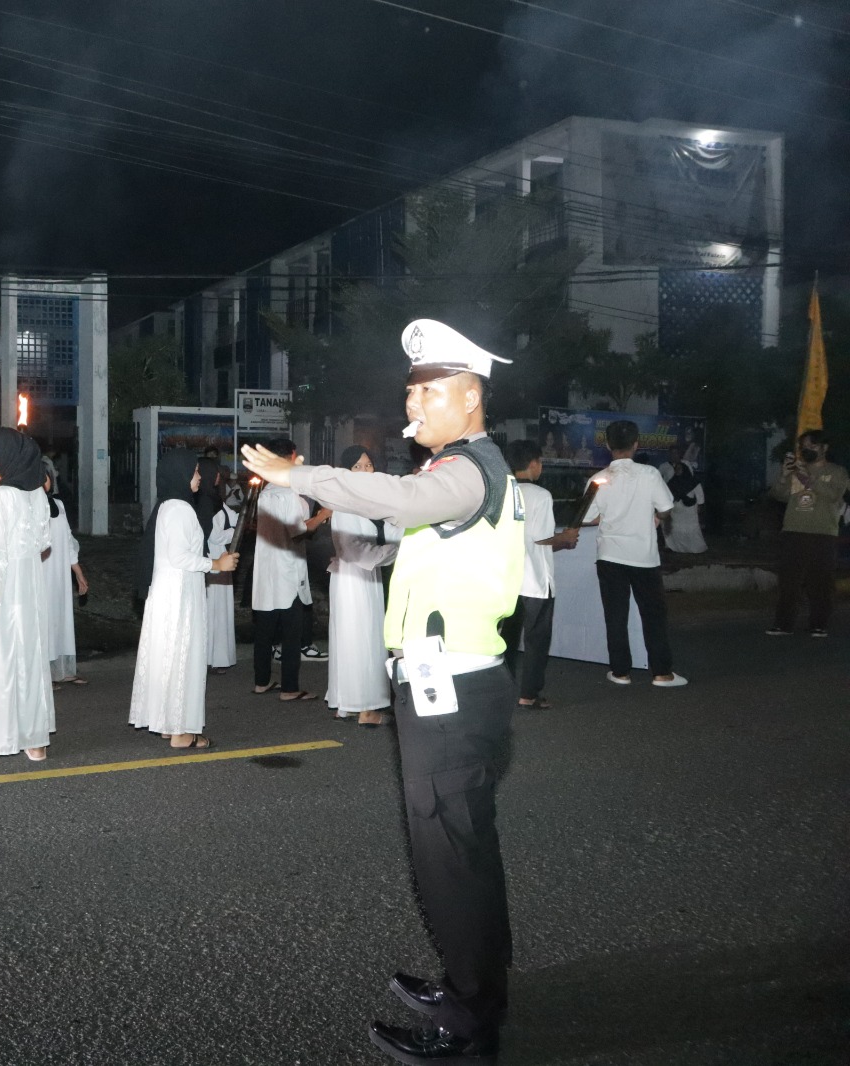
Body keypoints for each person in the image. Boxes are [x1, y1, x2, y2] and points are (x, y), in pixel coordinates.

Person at [243, 318, 526, 1066]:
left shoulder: (466, 469)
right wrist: (367, 550)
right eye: (412, 396)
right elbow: (424, 539)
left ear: (470, 398)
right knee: (460, 851)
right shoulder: (467, 474)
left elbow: (399, 498)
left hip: (454, 690)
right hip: (454, 684)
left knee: (450, 856)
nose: (414, 410)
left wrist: (294, 476)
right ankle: (474, 986)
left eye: (428, 394)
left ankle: (470, 1027)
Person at [130, 450, 239, 749]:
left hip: (171, 589)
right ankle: (181, 731)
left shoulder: (169, 505)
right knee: (183, 657)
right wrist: (216, 565)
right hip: (179, 591)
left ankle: (169, 722)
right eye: (194, 472)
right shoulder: (180, 508)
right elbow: (180, 556)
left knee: (169, 656)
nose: (200, 477)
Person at [0, 428, 55, 762]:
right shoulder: (38, 494)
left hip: (1, 588)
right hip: (29, 586)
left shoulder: (2, 496)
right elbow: (45, 543)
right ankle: (34, 740)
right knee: (28, 660)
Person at [583, 420, 686, 688]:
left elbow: (588, 517)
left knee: (615, 615)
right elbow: (666, 508)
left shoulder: (598, 480)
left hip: (610, 556)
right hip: (643, 556)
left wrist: (611, 516)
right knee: (653, 614)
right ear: (636, 444)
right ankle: (661, 673)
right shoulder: (650, 474)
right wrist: (655, 517)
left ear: (607, 445)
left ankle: (620, 672)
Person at [323, 447, 401, 726]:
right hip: (354, 578)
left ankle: (347, 703)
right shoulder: (345, 504)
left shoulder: (369, 503)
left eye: (369, 465)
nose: (366, 470)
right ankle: (365, 708)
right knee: (360, 638)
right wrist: (396, 553)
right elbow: (355, 550)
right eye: (358, 466)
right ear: (347, 472)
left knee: (357, 637)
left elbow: (391, 532)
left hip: (366, 576)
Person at [499, 440, 577, 709]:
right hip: (535, 581)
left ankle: (504, 689)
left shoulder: (501, 492)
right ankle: (529, 694)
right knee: (536, 640)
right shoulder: (541, 495)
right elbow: (542, 538)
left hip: (508, 580)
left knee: (507, 638)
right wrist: (565, 537)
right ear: (533, 464)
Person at [250, 439, 328, 702]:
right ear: (288, 459)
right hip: (287, 573)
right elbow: (299, 531)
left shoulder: (265, 493)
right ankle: (289, 688)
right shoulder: (287, 495)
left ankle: (261, 681)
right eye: (295, 458)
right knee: (291, 633)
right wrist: (322, 515)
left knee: (265, 631)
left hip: (266, 573)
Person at [767, 429, 849, 637]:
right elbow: (778, 495)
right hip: (793, 531)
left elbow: (833, 495)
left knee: (821, 582)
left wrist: (808, 477)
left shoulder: (837, 471)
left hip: (823, 533)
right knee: (789, 581)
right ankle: (783, 624)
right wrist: (785, 476)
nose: (807, 450)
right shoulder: (796, 472)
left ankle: (818, 624)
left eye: (812, 446)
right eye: (804, 448)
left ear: (824, 448)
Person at [43, 473, 88, 685]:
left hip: (60, 573)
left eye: (46, 476)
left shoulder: (59, 504)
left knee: (62, 619)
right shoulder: (29, 507)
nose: (44, 479)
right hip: (42, 574)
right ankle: (44, 674)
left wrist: (78, 574)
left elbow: (68, 541)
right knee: (45, 620)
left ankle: (63, 670)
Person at [197, 459, 238, 673]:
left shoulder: (214, 499)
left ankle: (218, 656)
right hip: (214, 557)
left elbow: (231, 518)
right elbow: (214, 535)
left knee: (219, 608)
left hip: (221, 555)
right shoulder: (205, 501)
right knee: (213, 609)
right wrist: (236, 530)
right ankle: (211, 657)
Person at [660, 446, 708, 555]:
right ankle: (674, 547)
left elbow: (698, 491)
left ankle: (696, 548)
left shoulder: (691, 480)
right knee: (675, 529)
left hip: (689, 509)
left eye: (680, 469)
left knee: (692, 528)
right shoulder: (669, 477)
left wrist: (700, 504)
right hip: (676, 509)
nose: (678, 471)